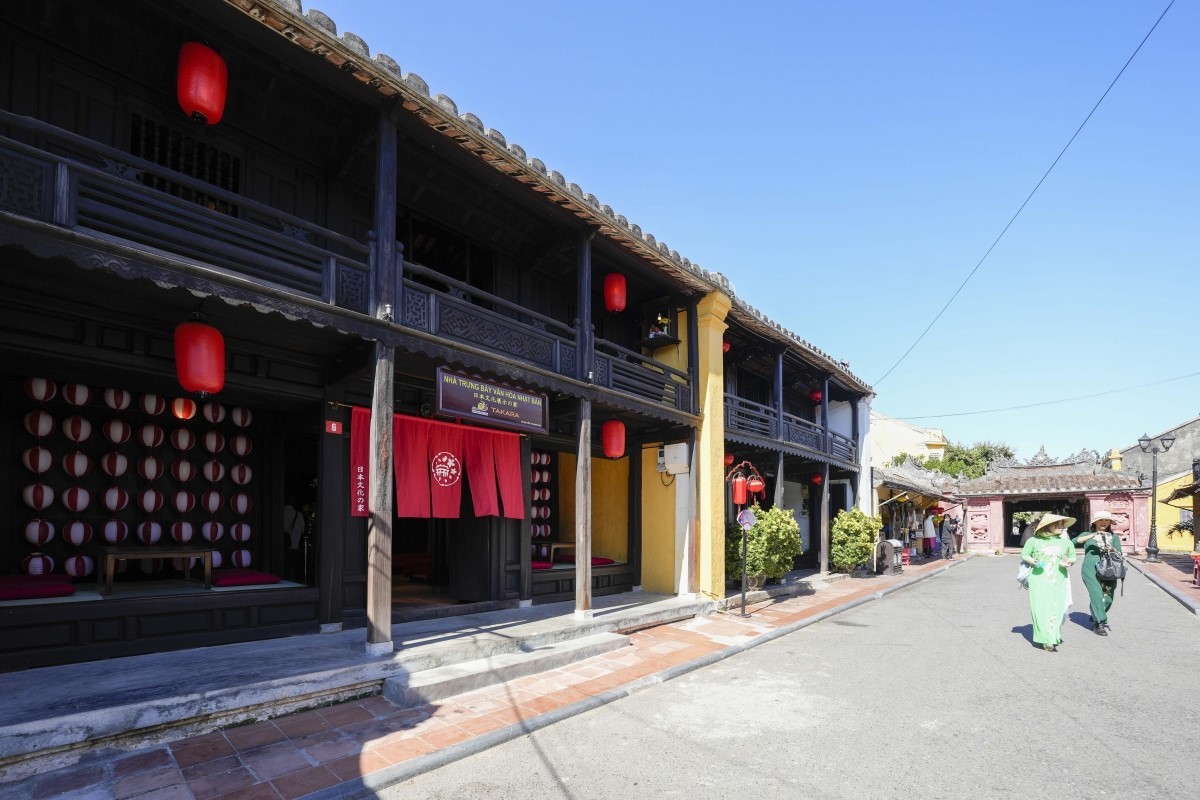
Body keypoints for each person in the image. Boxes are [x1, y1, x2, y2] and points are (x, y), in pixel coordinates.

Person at [1020, 513, 1076, 652]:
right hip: (1038, 579)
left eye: (1062, 524)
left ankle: (1052, 635)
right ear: (1047, 526)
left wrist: (1067, 562)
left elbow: (1073, 557)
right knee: (1040, 608)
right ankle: (1048, 640)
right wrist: (1033, 561)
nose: (1061, 527)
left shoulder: (1066, 542)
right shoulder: (1033, 541)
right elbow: (1025, 554)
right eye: (1057, 524)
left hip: (1060, 578)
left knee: (1059, 608)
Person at [1073, 511, 1121, 635]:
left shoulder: (1114, 537)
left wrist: (1112, 550)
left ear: (1110, 522)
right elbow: (1073, 542)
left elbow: (1119, 554)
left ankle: (1096, 613)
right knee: (1096, 594)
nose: (1104, 522)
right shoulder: (1087, 534)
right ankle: (1099, 623)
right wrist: (1092, 536)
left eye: (1107, 520)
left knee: (1108, 598)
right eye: (1101, 520)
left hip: (1109, 569)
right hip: (1090, 569)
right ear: (1095, 522)